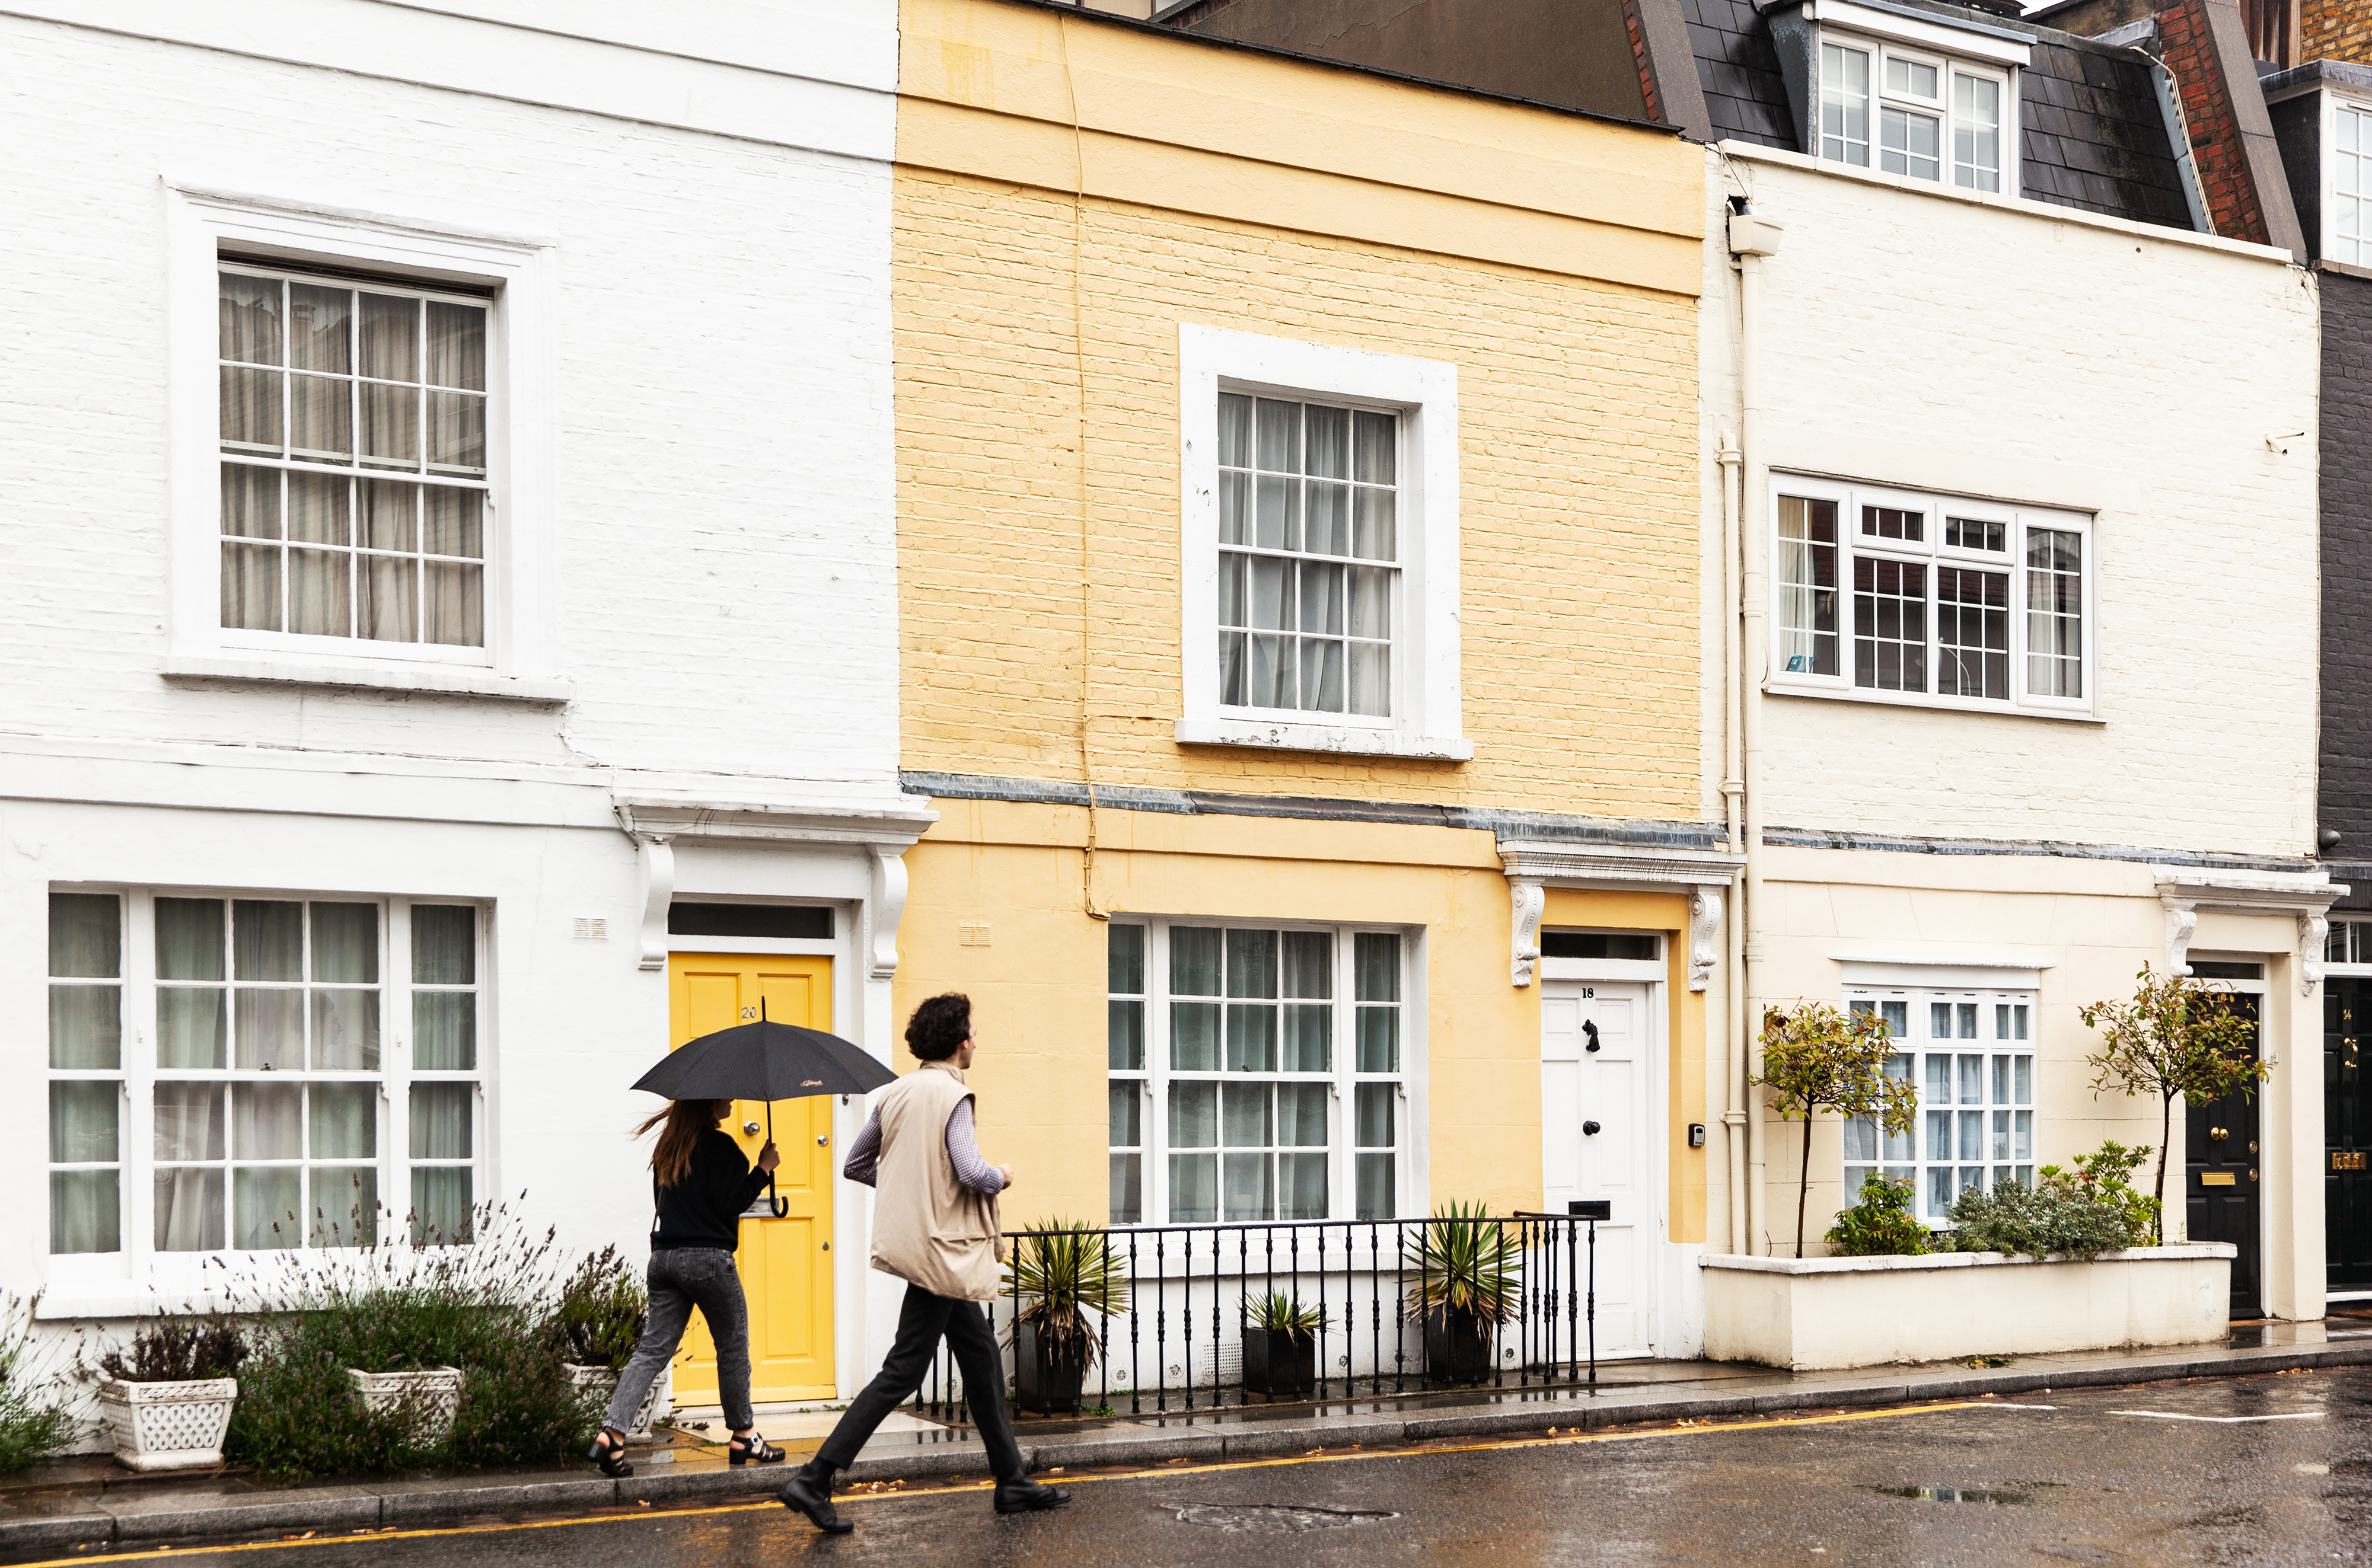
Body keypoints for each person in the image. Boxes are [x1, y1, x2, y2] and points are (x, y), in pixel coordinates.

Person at [779, 994, 1069, 1533]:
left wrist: (910, 1194)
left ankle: (1011, 1479)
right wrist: (1002, 1174)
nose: (977, 1040)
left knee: (981, 1358)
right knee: (903, 1370)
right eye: (974, 1032)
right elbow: (969, 1169)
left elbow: (857, 1163)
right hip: (945, 1251)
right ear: (960, 1041)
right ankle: (815, 1477)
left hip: (919, 1245)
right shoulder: (951, 1094)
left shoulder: (893, 1093)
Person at [586, 1097, 788, 1478]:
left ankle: (612, 1433)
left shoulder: (668, 1148)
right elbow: (732, 1203)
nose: (730, 1100)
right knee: (732, 1347)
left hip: (663, 1259)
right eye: (724, 1096)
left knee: (651, 1351)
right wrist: (763, 1169)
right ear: (707, 1103)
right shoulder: (720, 1146)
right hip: (708, 1259)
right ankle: (744, 1435)